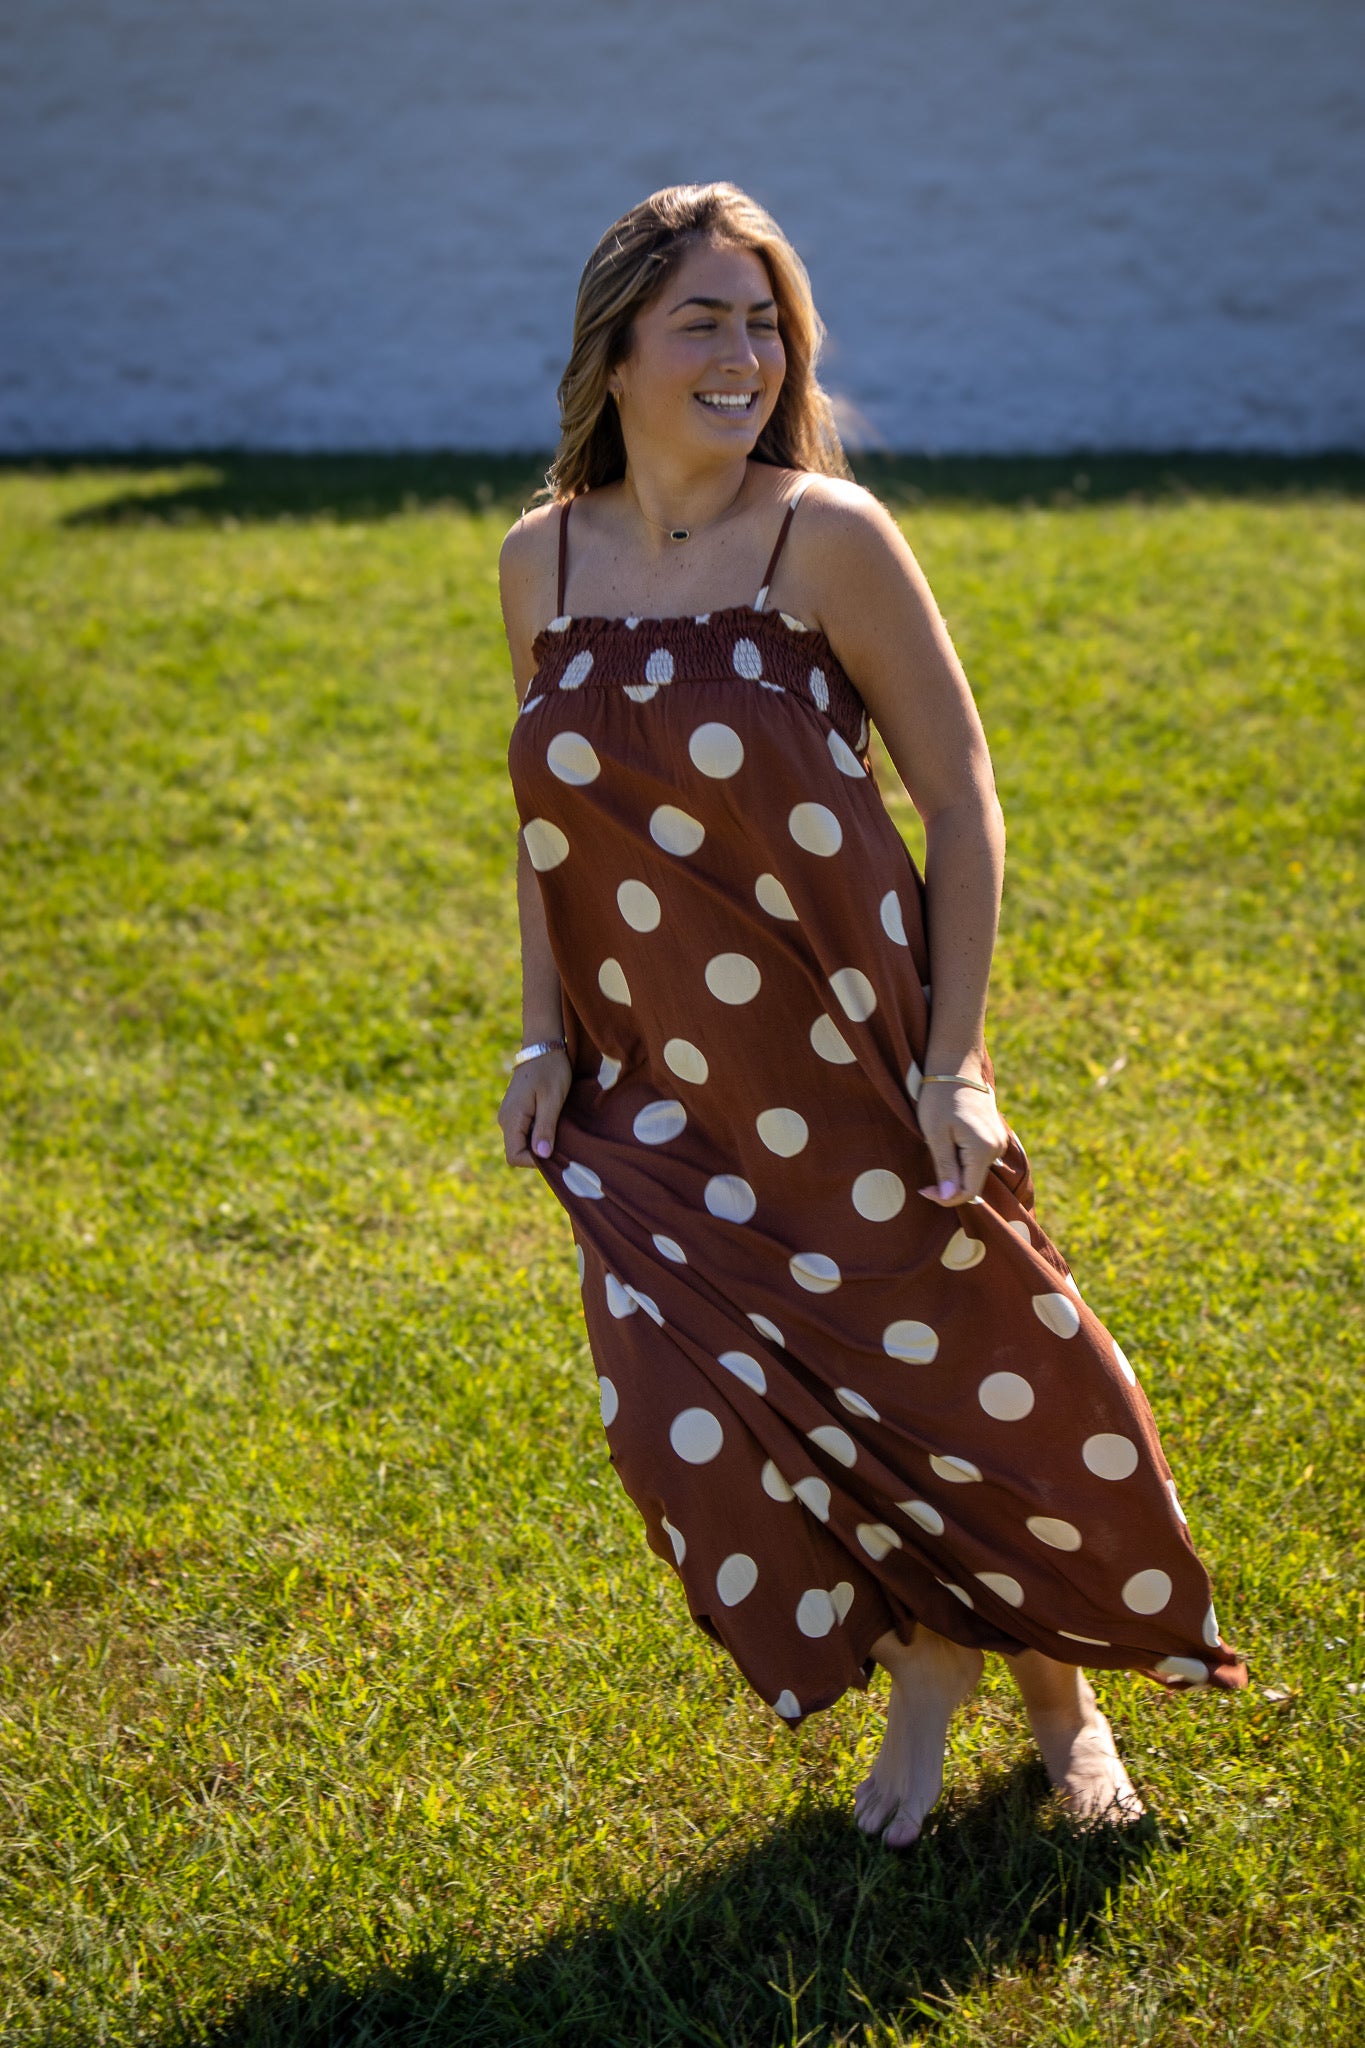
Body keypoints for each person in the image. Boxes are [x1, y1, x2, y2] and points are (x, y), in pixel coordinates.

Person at [497, 181, 1245, 1850]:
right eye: (703, 318)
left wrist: (952, 1060)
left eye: (765, 323)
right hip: (649, 1079)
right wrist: (545, 1037)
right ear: (614, 342)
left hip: (846, 1045)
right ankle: (928, 1652)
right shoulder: (537, 558)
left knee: (967, 1366)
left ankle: (1056, 1689)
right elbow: (549, 827)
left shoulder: (820, 535)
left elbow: (960, 799)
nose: (742, 355)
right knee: (711, 1394)